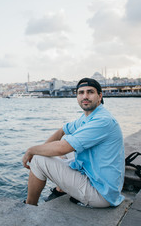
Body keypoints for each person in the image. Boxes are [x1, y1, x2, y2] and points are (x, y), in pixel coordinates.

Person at [22, 78, 125, 207]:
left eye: (90, 92)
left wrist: (32, 150)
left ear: (100, 96)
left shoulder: (102, 120)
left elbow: (63, 148)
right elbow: (62, 130)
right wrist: (44, 148)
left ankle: (28, 206)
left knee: (38, 159)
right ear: (77, 96)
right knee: (61, 145)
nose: (85, 96)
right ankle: (61, 189)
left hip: (102, 194)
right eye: (81, 93)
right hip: (100, 182)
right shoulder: (88, 117)